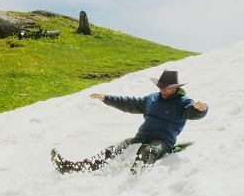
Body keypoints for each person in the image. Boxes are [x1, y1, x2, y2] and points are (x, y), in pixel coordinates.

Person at [51, 70, 208, 174]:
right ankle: (74, 168)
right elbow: (130, 103)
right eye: (161, 86)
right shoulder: (152, 99)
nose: (163, 90)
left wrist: (201, 109)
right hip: (141, 137)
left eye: (166, 87)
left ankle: (133, 181)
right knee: (114, 149)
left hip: (162, 141)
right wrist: (106, 98)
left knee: (148, 152)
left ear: (175, 88)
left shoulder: (183, 102)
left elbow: (193, 112)